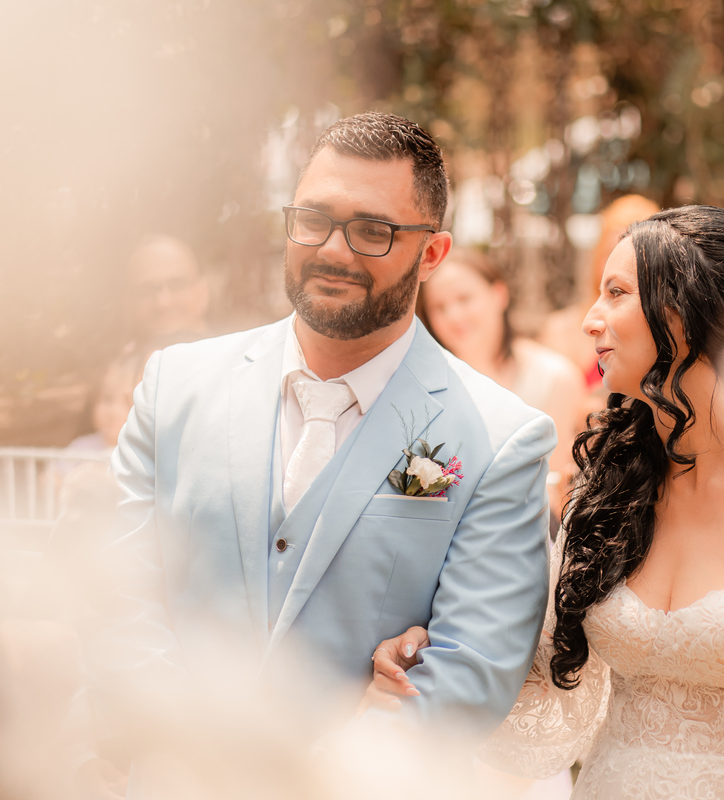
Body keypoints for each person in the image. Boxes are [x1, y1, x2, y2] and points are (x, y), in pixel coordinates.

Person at [367, 206, 724, 799]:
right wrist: (428, 649)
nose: (590, 321)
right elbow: (533, 664)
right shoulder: (612, 490)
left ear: (683, 315)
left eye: (616, 293)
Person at [100, 112, 555, 795]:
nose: (333, 250)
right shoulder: (174, 387)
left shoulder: (500, 436)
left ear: (432, 254)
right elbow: (114, 598)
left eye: (372, 231)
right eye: (313, 218)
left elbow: (473, 668)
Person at [418, 247, 585, 521]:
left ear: (499, 295)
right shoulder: (425, 386)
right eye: (439, 307)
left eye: (464, 299)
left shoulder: (554, 377)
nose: (454, 316)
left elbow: (560, 487)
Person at [539, 195, 660, 402]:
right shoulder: (561, 330)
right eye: (611, 252)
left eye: (634, 257)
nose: (620, 265)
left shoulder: (670, 335)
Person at [124, 234, 210, 346]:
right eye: (147, 291)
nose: (162, 303)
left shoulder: (236, 359)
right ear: (128, 305)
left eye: (176, 286)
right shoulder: (114, 362)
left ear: (202, 293)